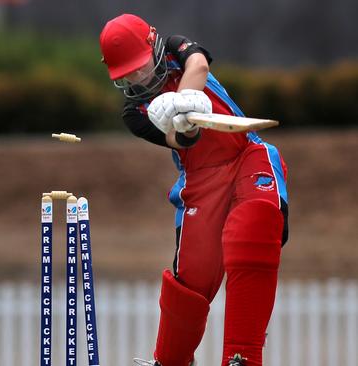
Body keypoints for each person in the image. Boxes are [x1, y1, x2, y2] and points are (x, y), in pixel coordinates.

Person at [99, 14, 289, 366]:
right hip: (200, 180)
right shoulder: (134, 112)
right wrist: (185, 126)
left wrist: (185, 97)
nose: (137, 78)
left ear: (153, 47)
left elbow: (199, 63)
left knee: (253, 225)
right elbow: (179, 139)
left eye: (139, 67)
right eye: (127, 75)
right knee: (193, 277)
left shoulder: (174, 48)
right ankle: (170, 360)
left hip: (246, 151)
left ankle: (242, 356)